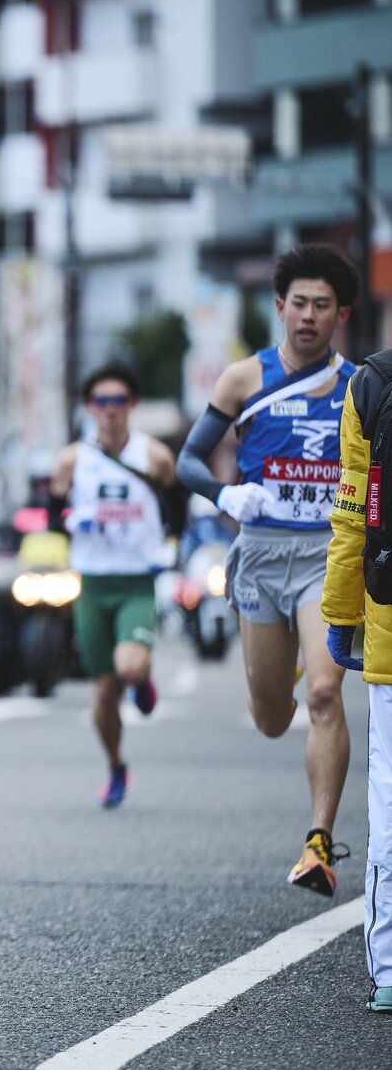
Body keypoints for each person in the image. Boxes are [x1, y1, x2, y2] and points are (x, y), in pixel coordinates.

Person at [177, 243, 358, 895]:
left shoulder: (358, 387)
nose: (308, 316)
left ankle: (317, 842)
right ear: (280, 307)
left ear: (342, 314)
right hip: (259, 555)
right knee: (272, 716)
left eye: (323, 306)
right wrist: (224, 495)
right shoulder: (242, 379)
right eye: (299, 304)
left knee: (324, 693)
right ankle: (286, 671)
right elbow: (189, 461)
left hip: (326, 558)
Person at [50, 362, 177, 809]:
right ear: (89, 407)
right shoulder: (71, 460)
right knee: (103, 691)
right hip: (93, 584)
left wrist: (171, 545)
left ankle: (142, 679)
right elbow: (52, 515)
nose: (110, 411)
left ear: (132, 405)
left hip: (136, 581)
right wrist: (69, 522)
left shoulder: (155, 456)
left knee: (127, 669)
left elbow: (175, 502)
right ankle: (117, 765)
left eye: (118, 401)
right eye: (101, 402)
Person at [321, 345, 392, 1012]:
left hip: (388, 607)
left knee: (389, 791)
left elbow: (353, 507)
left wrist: (341, 612)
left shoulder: (371, 383)